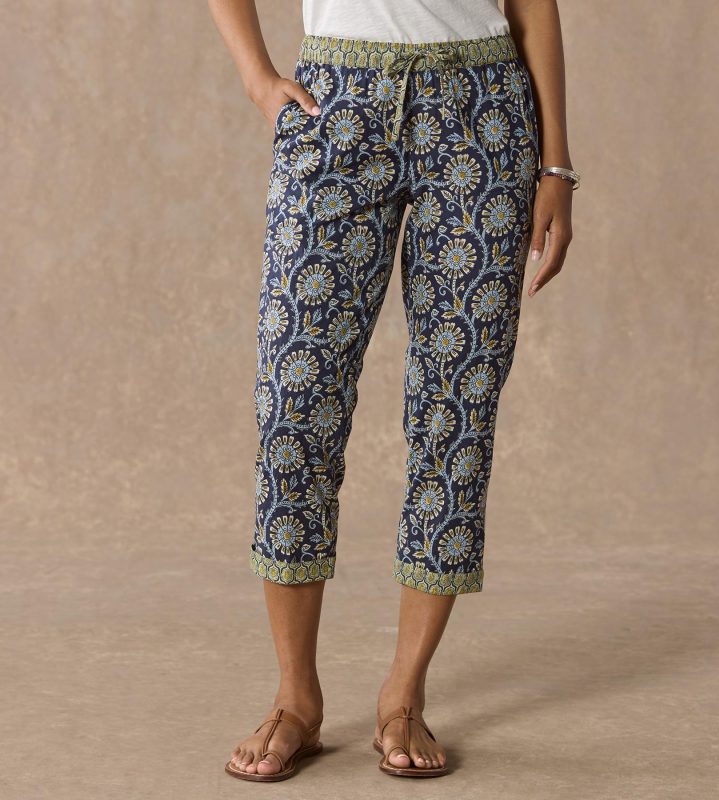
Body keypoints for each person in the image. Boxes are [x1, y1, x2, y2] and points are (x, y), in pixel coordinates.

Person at [207, 0, 578, 781]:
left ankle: (404, 694)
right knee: (294, 405)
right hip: (336, 106)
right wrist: (256, 78)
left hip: (481, 113)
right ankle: (295, 699)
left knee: (457, 411)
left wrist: (556, 166)